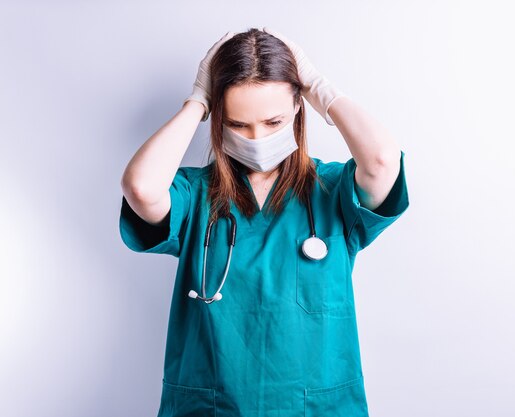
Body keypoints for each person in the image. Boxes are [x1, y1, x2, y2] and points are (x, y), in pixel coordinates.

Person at [119, 27, 409, 417]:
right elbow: (140, 188)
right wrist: (198, 101)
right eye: (238, 125)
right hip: (211, 408)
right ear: (219, 119)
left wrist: (318, 86)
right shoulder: (193, 195)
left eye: (272, 122)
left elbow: (382, 161)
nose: (256, 138)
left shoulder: (333, 191)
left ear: (297, 109)